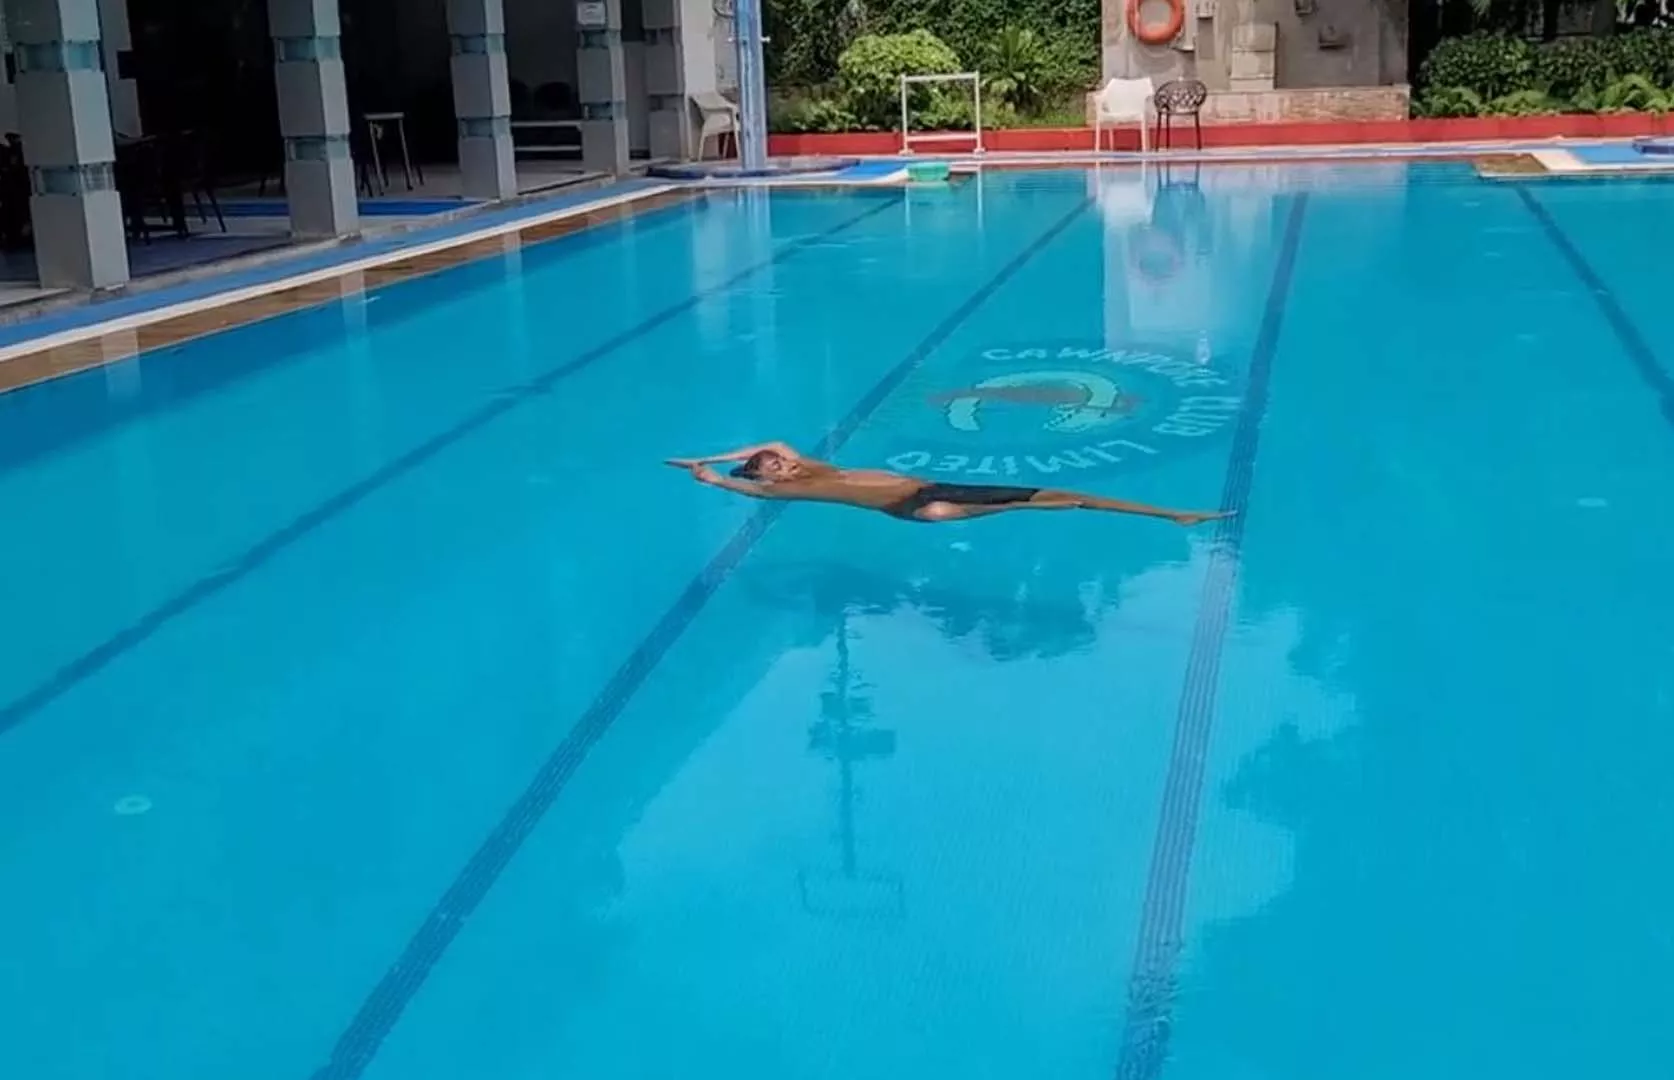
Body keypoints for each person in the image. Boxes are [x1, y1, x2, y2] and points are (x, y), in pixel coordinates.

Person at [667, 442, 1228, 526]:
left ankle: (1174, 514)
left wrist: (707, 451)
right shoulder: (777, 490)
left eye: (778, 464)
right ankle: (1175, 516)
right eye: (771, 469)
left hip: (931, 483)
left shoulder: (808, 464)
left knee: (1057, 494)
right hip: (915, 509)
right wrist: (709, 477)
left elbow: (767, 440)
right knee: (1031, 505)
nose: (781, 467)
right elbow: (731, 483)